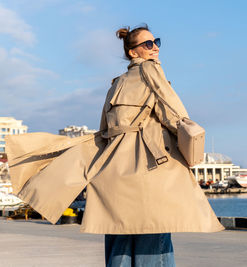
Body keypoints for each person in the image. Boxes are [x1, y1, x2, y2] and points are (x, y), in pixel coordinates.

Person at [6, 24, 224, 267]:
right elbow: (174, 113)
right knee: (153, 236)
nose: (155, 49)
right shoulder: (152, 71)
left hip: (113, 171)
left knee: (119, 241)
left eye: (157, 42)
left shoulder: (115, 84)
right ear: (133, 52)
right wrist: (191, 141)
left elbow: (104, 130)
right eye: (148, 44)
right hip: (148, 169)